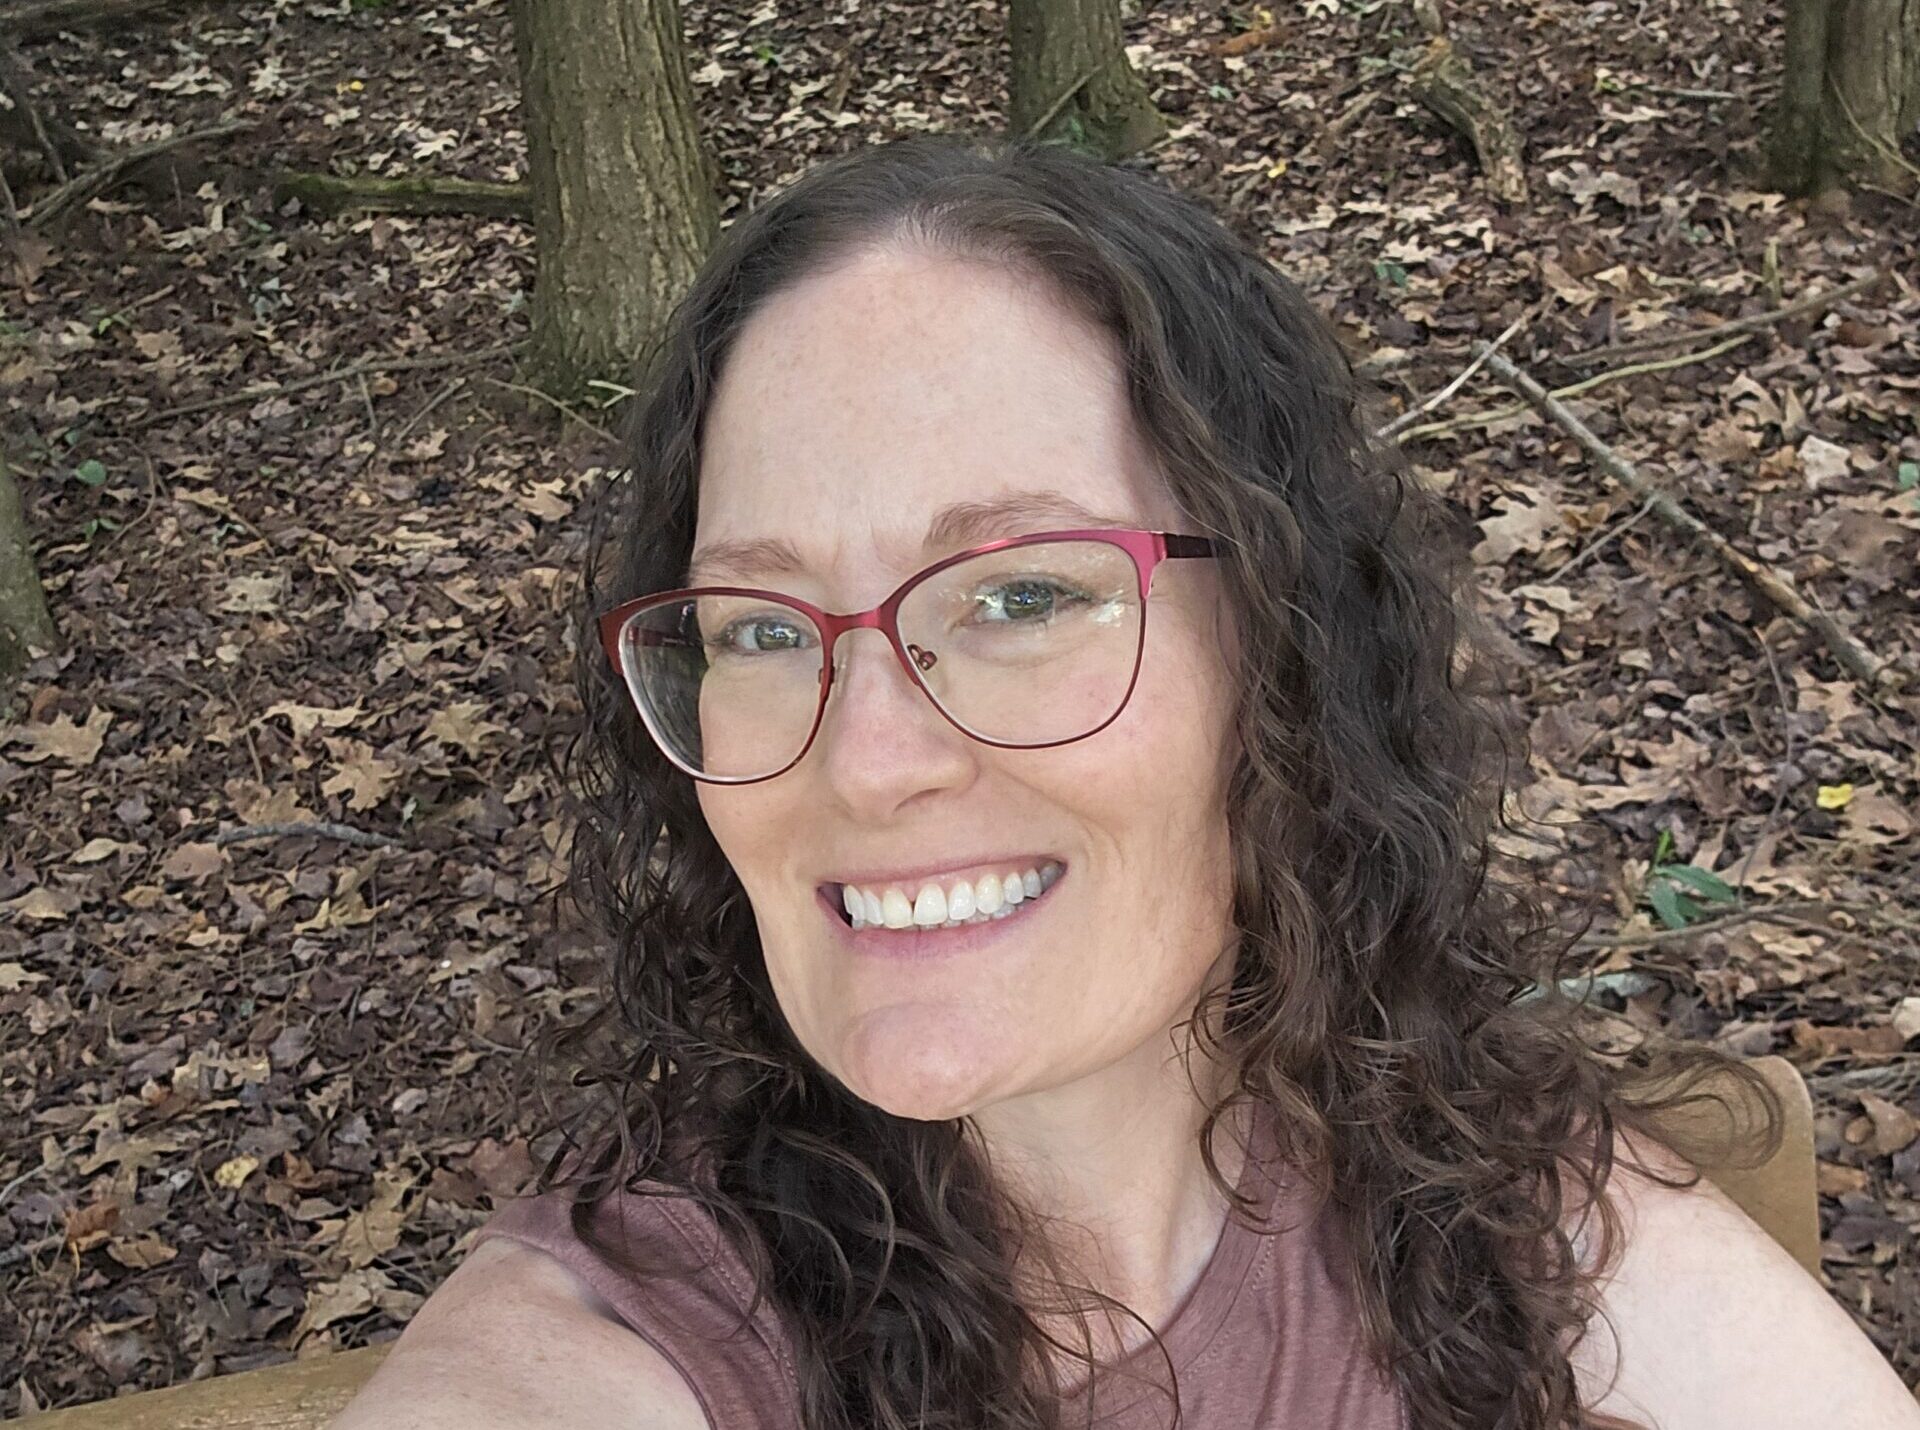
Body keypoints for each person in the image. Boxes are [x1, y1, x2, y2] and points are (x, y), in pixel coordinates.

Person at [329, 132, 1919, 1430]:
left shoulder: (1470, 1198)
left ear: (1281, 654)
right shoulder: (639, 1339)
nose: (867, 758)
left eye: (1020, 595)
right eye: (757, 624)